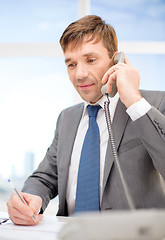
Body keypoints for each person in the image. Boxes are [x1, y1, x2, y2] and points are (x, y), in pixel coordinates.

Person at [7, 15, 165, 225]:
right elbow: (45, 177)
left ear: (116, 61)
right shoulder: (67, 118)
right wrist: (31, 197)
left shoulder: (153, 104)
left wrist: (134, 101)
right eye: (71, 64)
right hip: (70, 233)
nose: (79, 74)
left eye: (91, 60)